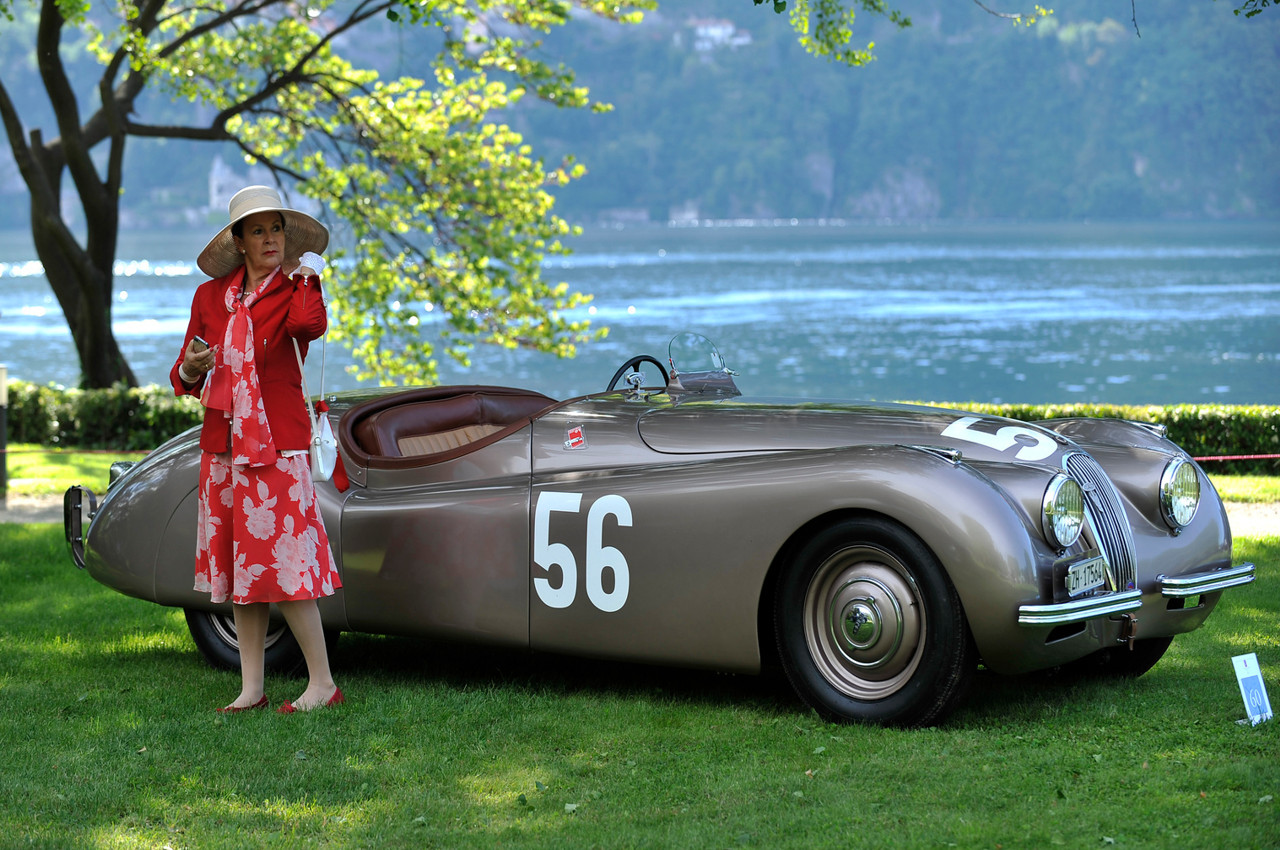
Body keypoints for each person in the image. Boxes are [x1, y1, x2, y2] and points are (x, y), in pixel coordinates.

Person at [171, 185, 344, 714]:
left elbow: (308, 327)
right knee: (244, 571)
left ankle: (323, 684)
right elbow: (181, 376)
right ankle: (252, 687)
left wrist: (309, 275)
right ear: (239, 241)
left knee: (288, 567)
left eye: (277, 229)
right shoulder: (208, 299)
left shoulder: (296, 289)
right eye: (259, 230)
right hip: (223, 444)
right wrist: (192, 368)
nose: (270, 238)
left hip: (279, 442)